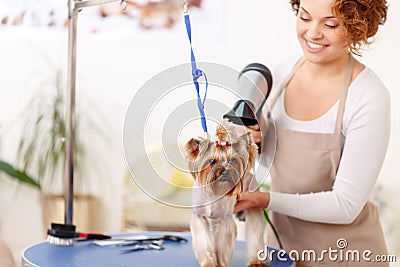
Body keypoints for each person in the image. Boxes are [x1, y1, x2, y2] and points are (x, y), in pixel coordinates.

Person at [234, 0, 390, 266]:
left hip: (346, 256)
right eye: (305, 18)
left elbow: (345, 205)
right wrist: (254, 146)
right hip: (281, 253)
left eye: (330, 24)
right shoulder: (282, 74)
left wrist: (264, 199)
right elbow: (282, 166)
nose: (313, 33)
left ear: (356, 26)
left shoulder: (368, 96)